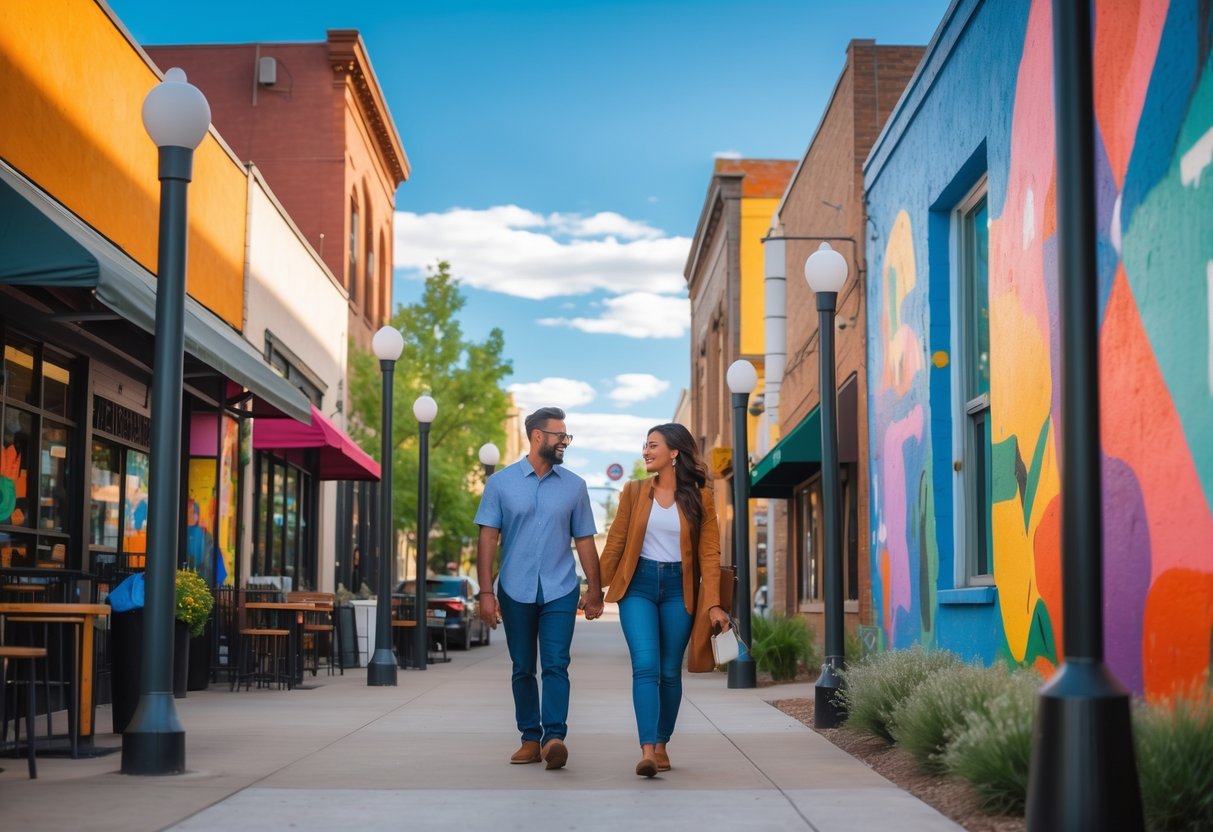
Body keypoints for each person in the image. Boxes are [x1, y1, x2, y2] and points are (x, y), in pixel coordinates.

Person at [475, 406, 605, 770]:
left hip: (560, 588)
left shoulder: (575, 487)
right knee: (521, 667)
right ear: (536, 437)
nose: (564, 441)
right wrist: (486, 593)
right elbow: (487, 538)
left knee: (556, 665)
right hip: (514, 589)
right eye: (558, 435)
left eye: (567, 435)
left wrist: (595, 590)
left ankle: (554, 738)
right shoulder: (500, 483)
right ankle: (530, 738)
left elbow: (584, 541)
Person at [599, 423, 730, 777]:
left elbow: (709, 553)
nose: (645, 451)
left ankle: (661, 744)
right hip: (638, 585)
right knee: (646, 666)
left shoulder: (700, 498)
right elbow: (615, 542)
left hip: (679, 590)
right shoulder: (634, 491)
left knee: (670, 672)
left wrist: (713, 602)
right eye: (645, 445)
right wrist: (595, 588)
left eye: (652, 445)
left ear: (674, 452)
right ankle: (646, 751)